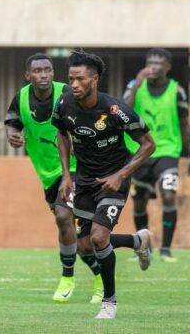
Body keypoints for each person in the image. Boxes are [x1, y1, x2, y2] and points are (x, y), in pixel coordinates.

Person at [53, 50, 155, 319]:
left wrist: (121, 175)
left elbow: (148, 145)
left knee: (99, 238)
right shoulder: (64, 104)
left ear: (94, 79)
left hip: (113, 181)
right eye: (71, 79)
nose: (74, 84)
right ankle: (138, 241)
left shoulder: (116, 110)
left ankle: (109, 302)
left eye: (80, 79)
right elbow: (62, 135)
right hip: (84, 179)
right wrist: (66, 175)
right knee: (85, 245)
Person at [4, 53, 103, 304]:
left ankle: (67, 278)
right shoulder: (21, 97)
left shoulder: (68, 93)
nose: (44, 75)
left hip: (77, 169)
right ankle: (101, 277)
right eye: (37, 71)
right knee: (82, 242)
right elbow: (12, 122)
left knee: (63, 216)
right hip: (48, 175)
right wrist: (13, 135)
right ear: (28, 75)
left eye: (48, 70)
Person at [123, 48, 190, 263]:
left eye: (158, 63)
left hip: (167, 150)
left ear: (168, 67)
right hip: (139, 151)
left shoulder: (176, 91)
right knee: (138, 201)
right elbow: (123, 112)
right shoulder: (134, 86)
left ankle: (166, 248)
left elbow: (185, 124)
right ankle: (144, 248)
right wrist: (137, 84)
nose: (153, 66)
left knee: (168, 194)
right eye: (150, 62)